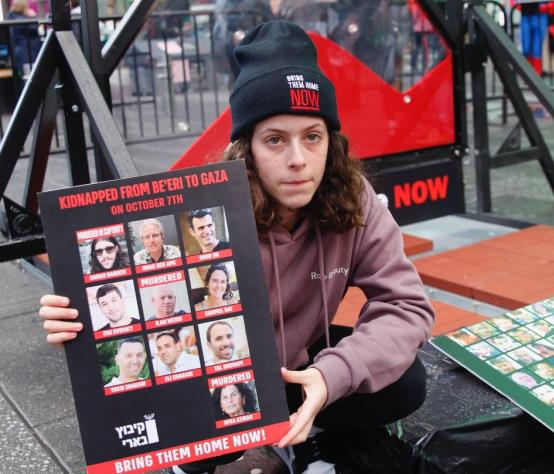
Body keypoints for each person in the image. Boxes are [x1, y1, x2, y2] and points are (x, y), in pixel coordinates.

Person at [39, 20, 434, 473]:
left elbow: (408, 305)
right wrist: (78, 321)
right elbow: (149, 305)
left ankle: (308, 436)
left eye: (312, 136)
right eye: (274, 140)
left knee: (405, 382)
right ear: (246, 148)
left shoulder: (352, 195)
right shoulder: (203, 210)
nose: (298, 160)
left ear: (331, 141)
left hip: (300, 367)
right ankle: (190, 462)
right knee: (210, 439)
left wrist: (330, 377)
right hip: (222, 368)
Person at [8, 0, 42, 92]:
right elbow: (34, 29)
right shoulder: (20, 20)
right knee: (30, 82)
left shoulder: (12, 18)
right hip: (27, 55)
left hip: (22, 55)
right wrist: (34, 17)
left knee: (26, 80)